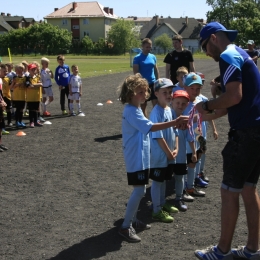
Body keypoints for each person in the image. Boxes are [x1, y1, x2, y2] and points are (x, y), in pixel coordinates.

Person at [195, 21, 260, 260]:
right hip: (256, 130)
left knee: (228, 191)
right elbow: (239, 102)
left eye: (204, 46)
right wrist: (212, 110)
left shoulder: (227, 55)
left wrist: (208, 104)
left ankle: (222, 251)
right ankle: (253, 249)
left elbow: (234, 96)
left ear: (213, 38)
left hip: (245, 135)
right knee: (248, 189)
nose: (205, 53)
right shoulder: (241, 52)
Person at [117, 73, 189, 243]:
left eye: (144, 91)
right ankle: (126, 226)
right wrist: (175, 122)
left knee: (140, 189)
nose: (143, 95)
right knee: (140, 190)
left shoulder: (136, 109)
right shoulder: (131, 110)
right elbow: (150, 127)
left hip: (140, 155)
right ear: (129, 94)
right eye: (139, 92)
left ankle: (133, 221)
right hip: (135, 156)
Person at [149, 78, 179, 223]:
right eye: (164, 92)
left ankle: (162, 202)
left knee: (165, 180)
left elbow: (176, 130)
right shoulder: (156, 112)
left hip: (169, 153)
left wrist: (176, 147)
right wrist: (168, 152)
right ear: (156, 93)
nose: (168, 95)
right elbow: (158, 136)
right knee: (157, 181)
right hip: (160, 155)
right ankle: (156, 210)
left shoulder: (170, 110)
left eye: (170, 92)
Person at [171, 90, 197, 210]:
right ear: (172, 102)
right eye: (177, 103)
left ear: (187, 105)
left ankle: (179, 197)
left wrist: (194, 152)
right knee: (162, 179)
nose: (180, 106)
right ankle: (159, 203)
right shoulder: (167, 115)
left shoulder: (186, 120)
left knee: (180, 176)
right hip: (166, 154)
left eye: (183, 103)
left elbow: (190, 137)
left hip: (180, 155)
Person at [133, 38, 159, 117]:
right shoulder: (137, 58)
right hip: (143, 85)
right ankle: (146, 124)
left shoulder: (153, 57)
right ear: (142, 46)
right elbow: (136, 73)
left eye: (150, 47)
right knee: (143, 105)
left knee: (156, 105)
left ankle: (156, 122)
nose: (149, 49)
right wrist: (140, 84)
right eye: (147, 47)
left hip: (152, 83)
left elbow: (156, 69)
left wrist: (158, 81)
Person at [25, 63, 43, 127]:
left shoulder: (37, 77)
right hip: (30, 97)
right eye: (32, 69)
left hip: (36, 97)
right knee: (31, 110)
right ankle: (31, 122)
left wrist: (33, 85)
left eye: (34, 69)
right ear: (29, 70)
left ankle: (36, 121)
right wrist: (36, 85)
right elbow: (28, 86)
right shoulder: (27, 78)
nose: (34, 70)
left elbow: (41, 84)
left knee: (36, 110)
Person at [10, 63, 26, 128]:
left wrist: (23, 84)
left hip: (23, 97)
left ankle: (20, 121)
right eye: (16, 70)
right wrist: (14, 84)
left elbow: (27, 86)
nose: (18, 71)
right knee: (17, 109)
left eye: (19, 69)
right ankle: (17, 122)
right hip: (16, 97)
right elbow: (11, 88)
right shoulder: (15, 78)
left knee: (21, 110)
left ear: (22, 70)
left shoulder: (25, 78)